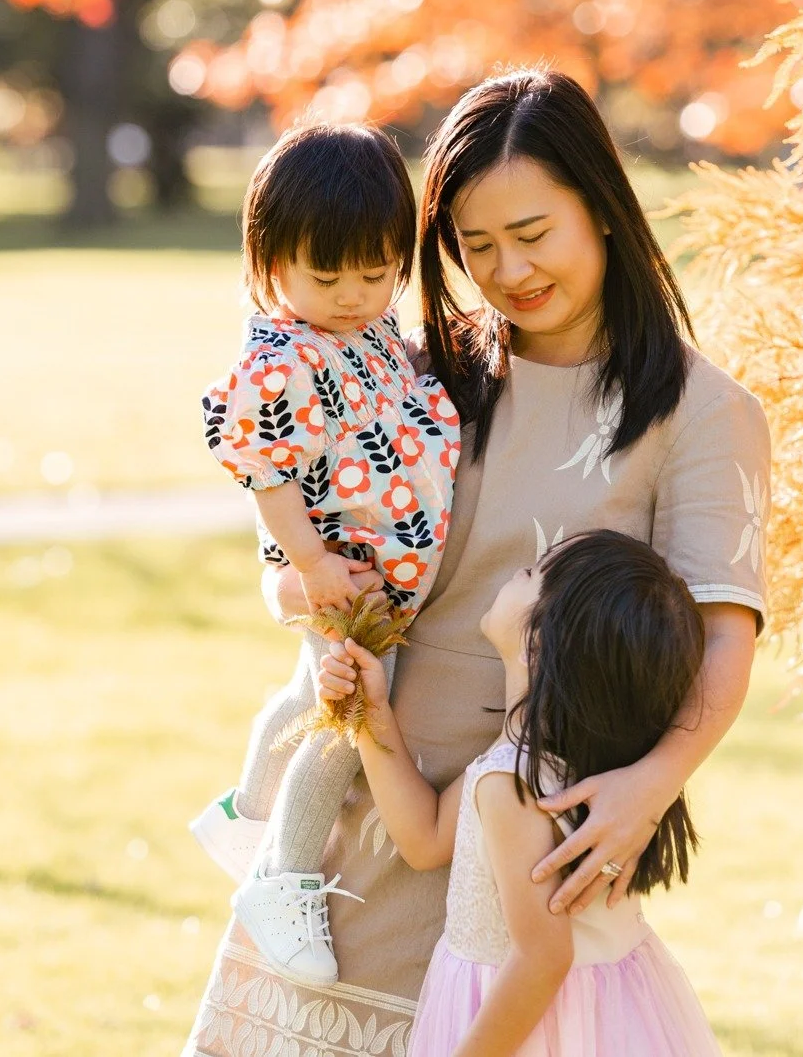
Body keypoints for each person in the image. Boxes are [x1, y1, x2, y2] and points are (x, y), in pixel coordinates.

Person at [186, 69, 769, 1057]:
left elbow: (722, 635)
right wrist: (294, 589)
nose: (508, 270)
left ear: (604, 207)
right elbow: (300, 538)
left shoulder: (703, 412)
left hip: (508, 838)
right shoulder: (416, 368)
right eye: (476, 244)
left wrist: (653, 782)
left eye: (533, 233)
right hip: (350, 812)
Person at [191, 121, 460, 986]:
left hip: (371, 570)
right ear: (273, 262)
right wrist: (309, 566)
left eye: (376, 273)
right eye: (327, 275)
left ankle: (248, 812)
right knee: (344, 721)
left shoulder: (369, 335)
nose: (352, 295)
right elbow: (263, 472)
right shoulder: (284, 358)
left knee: (311, 693)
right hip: (342, 570)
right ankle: (282, 874)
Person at [317, 529, 723, 1057]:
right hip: (613, 1015)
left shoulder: (512, 781)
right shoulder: (580, 761)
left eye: (532, 573)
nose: (517, 570)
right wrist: (372, 712)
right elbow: (426, 838)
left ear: (538, 642)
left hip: (530, 1029)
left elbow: (542, 959)